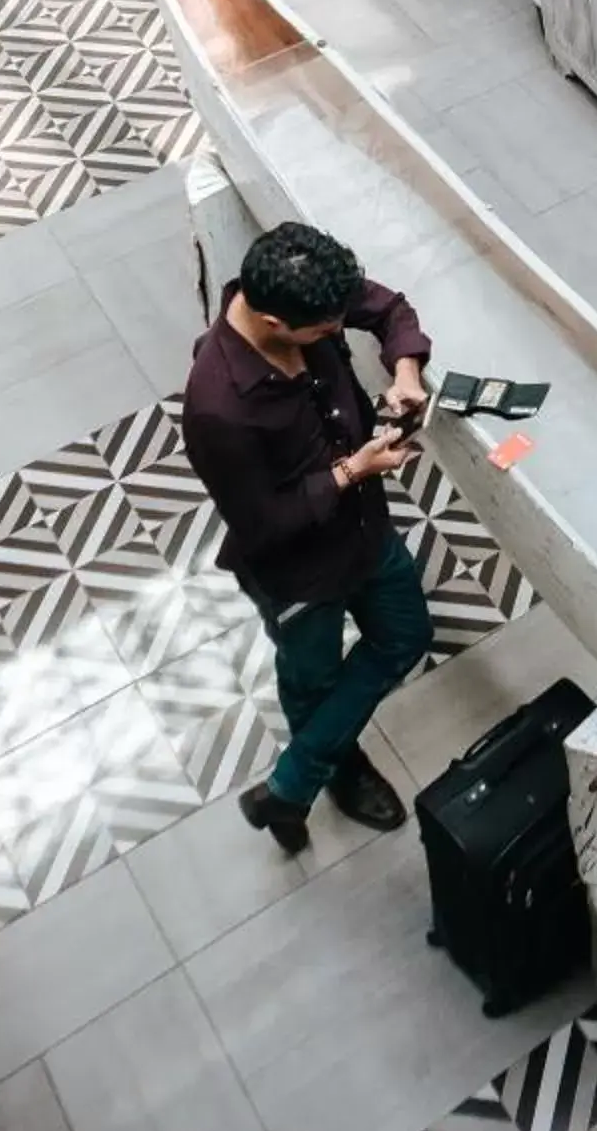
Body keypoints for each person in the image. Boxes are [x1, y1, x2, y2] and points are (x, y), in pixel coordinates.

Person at [182, 220, 436, 851]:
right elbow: (264, 524)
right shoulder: (218, 407)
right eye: (326, 330)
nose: (335, 329)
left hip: (366, 534)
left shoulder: (311, 294)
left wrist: (405, 372)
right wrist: (352, 470)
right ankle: (337, 771)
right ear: (271, 321)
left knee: (405, 635)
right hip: (298, 572)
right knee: (312, 681)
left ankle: (289, 786)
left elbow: (390, 310)